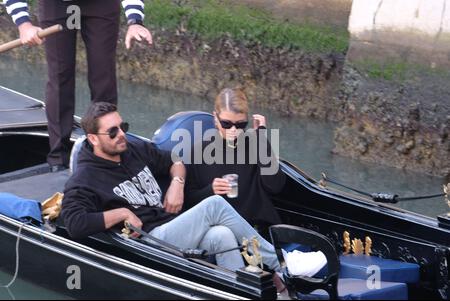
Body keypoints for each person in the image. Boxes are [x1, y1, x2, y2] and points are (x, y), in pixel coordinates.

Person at [60, 102, 282, 273]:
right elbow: (74, 224)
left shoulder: (133, 149)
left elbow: (175, 159)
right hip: (149, 241)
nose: (121, 135)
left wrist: (177, 182)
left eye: (123, 127)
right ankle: (280, 263)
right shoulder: (84, 179)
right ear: (93, 138)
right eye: (113, 132)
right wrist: (122, 212)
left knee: (221, 234)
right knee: (214, 204)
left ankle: (239, 297)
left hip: (172, 225)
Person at [4, 0, 152, 172]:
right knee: (60, 77)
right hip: (57, 5)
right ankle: (58, 158)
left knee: (103, 77)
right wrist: (24, 24)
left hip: (101, 5)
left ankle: (106, 151)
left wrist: (135, 21)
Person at [185, 88, 286, 236]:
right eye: (226, 124)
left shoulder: (255, 145)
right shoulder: (199, 150)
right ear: (215, 118)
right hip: (219, 231)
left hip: (256, 228)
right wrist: (210, 190)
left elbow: (275, 186)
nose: (233, 130)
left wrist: (261, 138)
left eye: (240, 125)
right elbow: (188, 201)